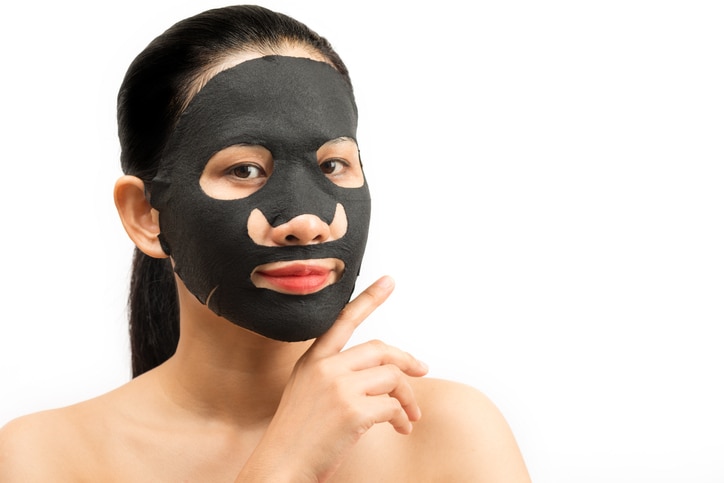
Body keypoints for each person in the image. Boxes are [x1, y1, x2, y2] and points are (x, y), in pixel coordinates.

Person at [0, 5, 530, 481]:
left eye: (333, 165)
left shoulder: (451, 433)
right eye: (246, 169)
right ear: (146, 215)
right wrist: (284, 462)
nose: (307, 223)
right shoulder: (42, 458)